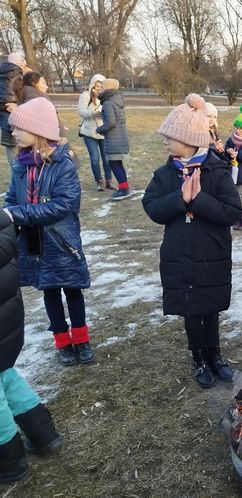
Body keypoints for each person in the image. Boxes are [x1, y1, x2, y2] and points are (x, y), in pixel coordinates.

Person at [142, 94, 242, 388]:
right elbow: (152, 208)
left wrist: (197, 201)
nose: (165, 141)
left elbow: (233, 212)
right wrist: (179, 199)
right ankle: (198, 356)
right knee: (190, 308)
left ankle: (214, 354)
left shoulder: (217, 172)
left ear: (188, 139)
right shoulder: (164, 175)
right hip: (180, 255)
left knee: (210, 307)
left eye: (170, 137)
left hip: (213, 254)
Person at [3, 97, 95, 366]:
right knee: (49, 291)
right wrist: (10, 213)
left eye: (19, 128)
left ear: (39, 131)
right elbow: (11, 199)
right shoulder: (20, 165)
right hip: (35, 243)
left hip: (62, 241)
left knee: (72, 290)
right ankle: (62, 340)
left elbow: (62, 206)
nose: (13, 132)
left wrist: (18, 213)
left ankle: (81, 338)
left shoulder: (63, 164)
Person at [0, 208, 64, 483]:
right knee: (4, 373)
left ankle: (9, 461)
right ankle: (43, 433)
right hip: (7, 313)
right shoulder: (3, 216)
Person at [78, 74, 115, 191]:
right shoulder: (85, 95)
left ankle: (109, 181)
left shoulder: (106, 97)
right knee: (94, 158)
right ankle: (99, 181)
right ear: (92, 84)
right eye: (97, 85)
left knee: (106, 158)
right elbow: (81, 111)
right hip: (89, 132)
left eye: (101, 85)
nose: (98, 88)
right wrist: (92, 114)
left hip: (103, 131)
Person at [96, 78, 131, 200]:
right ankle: (124, 187)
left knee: (114, 164)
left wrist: (98, 129)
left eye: (103, 87)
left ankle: (124, 189)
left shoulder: (108, 102)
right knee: (117, 164)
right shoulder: (116, 100)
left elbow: (110, 122)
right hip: (120, 137)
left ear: (108, 88)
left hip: (114, 138)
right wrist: (101, 114)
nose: (101, 89)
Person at [0, 52, 27, 169]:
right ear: (20, 63)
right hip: (18, 123)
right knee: (21, 162)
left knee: (13, 160)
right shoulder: (19, 76)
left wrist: (4, 106)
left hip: (6, 123)